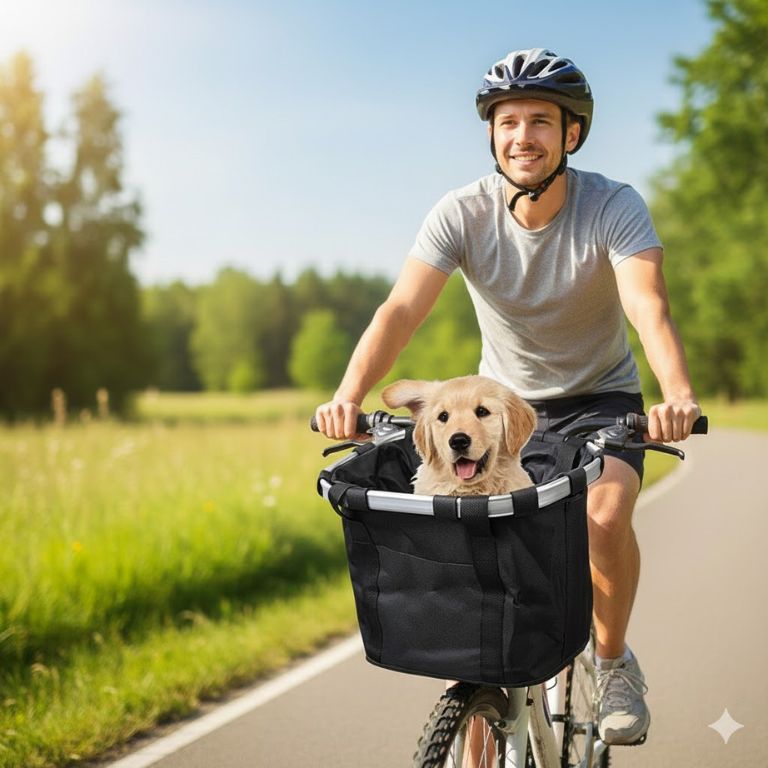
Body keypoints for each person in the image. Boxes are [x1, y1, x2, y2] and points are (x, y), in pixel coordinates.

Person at [314, 47, 701, 746]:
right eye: (509, 122)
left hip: (601, 400)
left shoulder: (612, 205)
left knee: (602, 517)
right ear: (492, 134)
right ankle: (486, 697)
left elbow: (647, 305)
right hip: (503, 410)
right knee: (481, 544)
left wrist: (675, 394)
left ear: (571, 133)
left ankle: (613, 662)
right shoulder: (461, 213)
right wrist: (347, 394)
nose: (524, 136)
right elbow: (401, 311)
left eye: (541, 122)